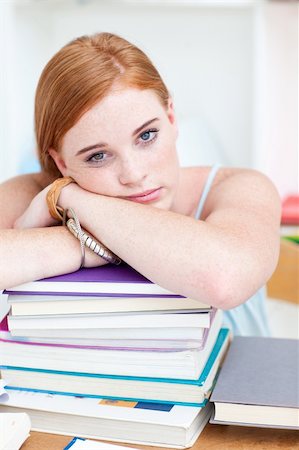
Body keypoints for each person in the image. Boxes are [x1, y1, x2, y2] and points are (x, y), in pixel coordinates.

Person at [0, 32, 281, 336]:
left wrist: (70, 198)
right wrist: (86, 245)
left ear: (171, 118)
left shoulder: (238, 187)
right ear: (62, 162)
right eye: (98, 156)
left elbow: (224, 279)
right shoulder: (33, 192)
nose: (133, 174)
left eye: (146, 136)